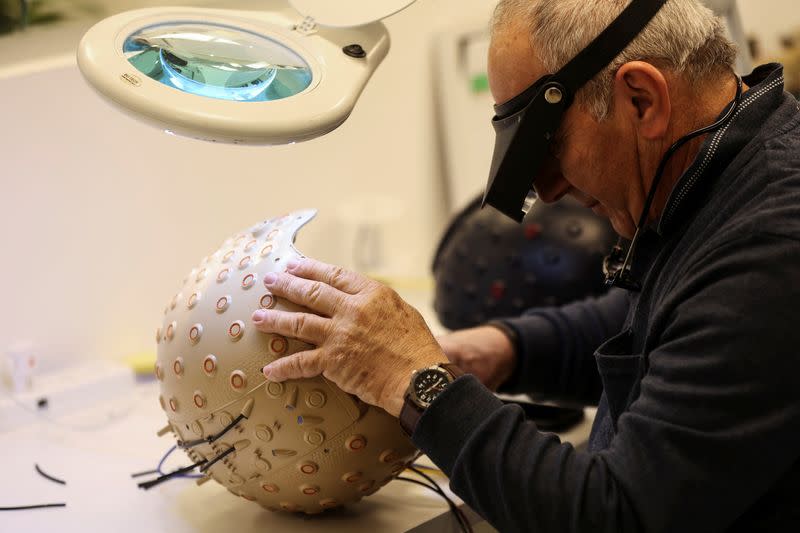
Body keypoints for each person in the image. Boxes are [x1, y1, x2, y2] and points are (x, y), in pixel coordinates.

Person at [249, 0, 800, 530]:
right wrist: (504, 349)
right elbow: (668, 327)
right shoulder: (730, 180)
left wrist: (419, 384)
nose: (549, 190)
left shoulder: (773, 241)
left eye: (549, 144)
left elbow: (613, 515)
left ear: (641, 99)